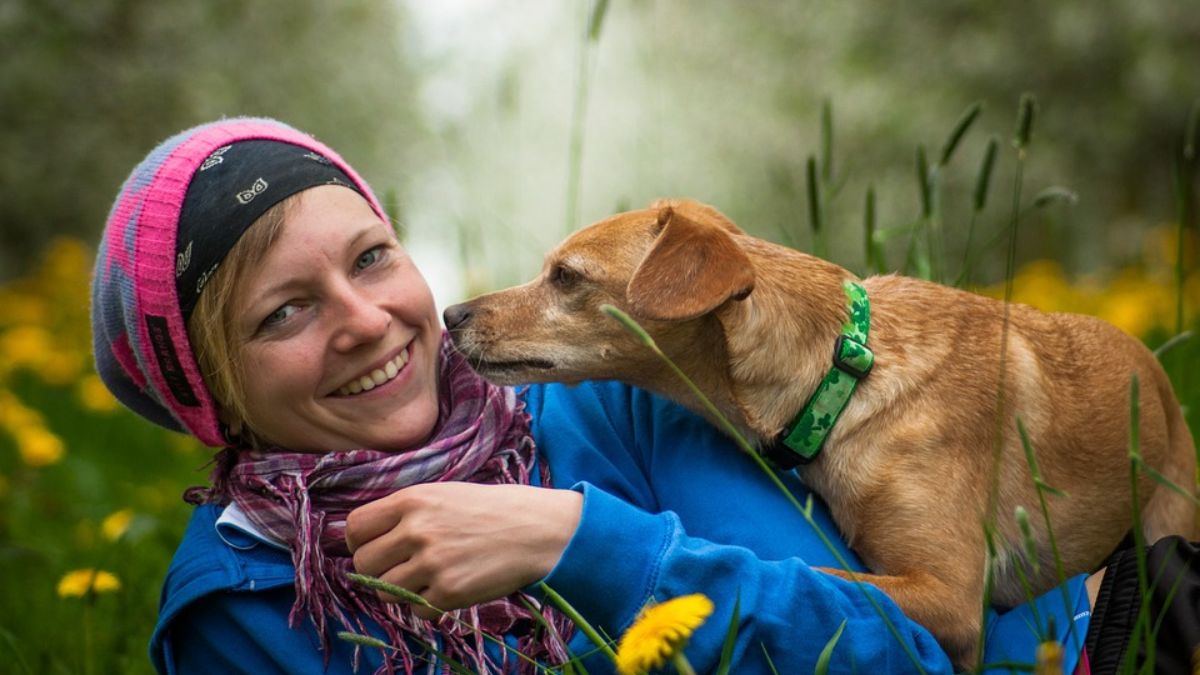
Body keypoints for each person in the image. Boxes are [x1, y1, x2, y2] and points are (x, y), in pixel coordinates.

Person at [89, 117, 1177, 675]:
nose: (367, 320)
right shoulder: (232, 609)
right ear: (210, 392)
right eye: (284, 312)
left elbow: (905, 652)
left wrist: (583, 543)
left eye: (372, 257)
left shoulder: (629, 404)